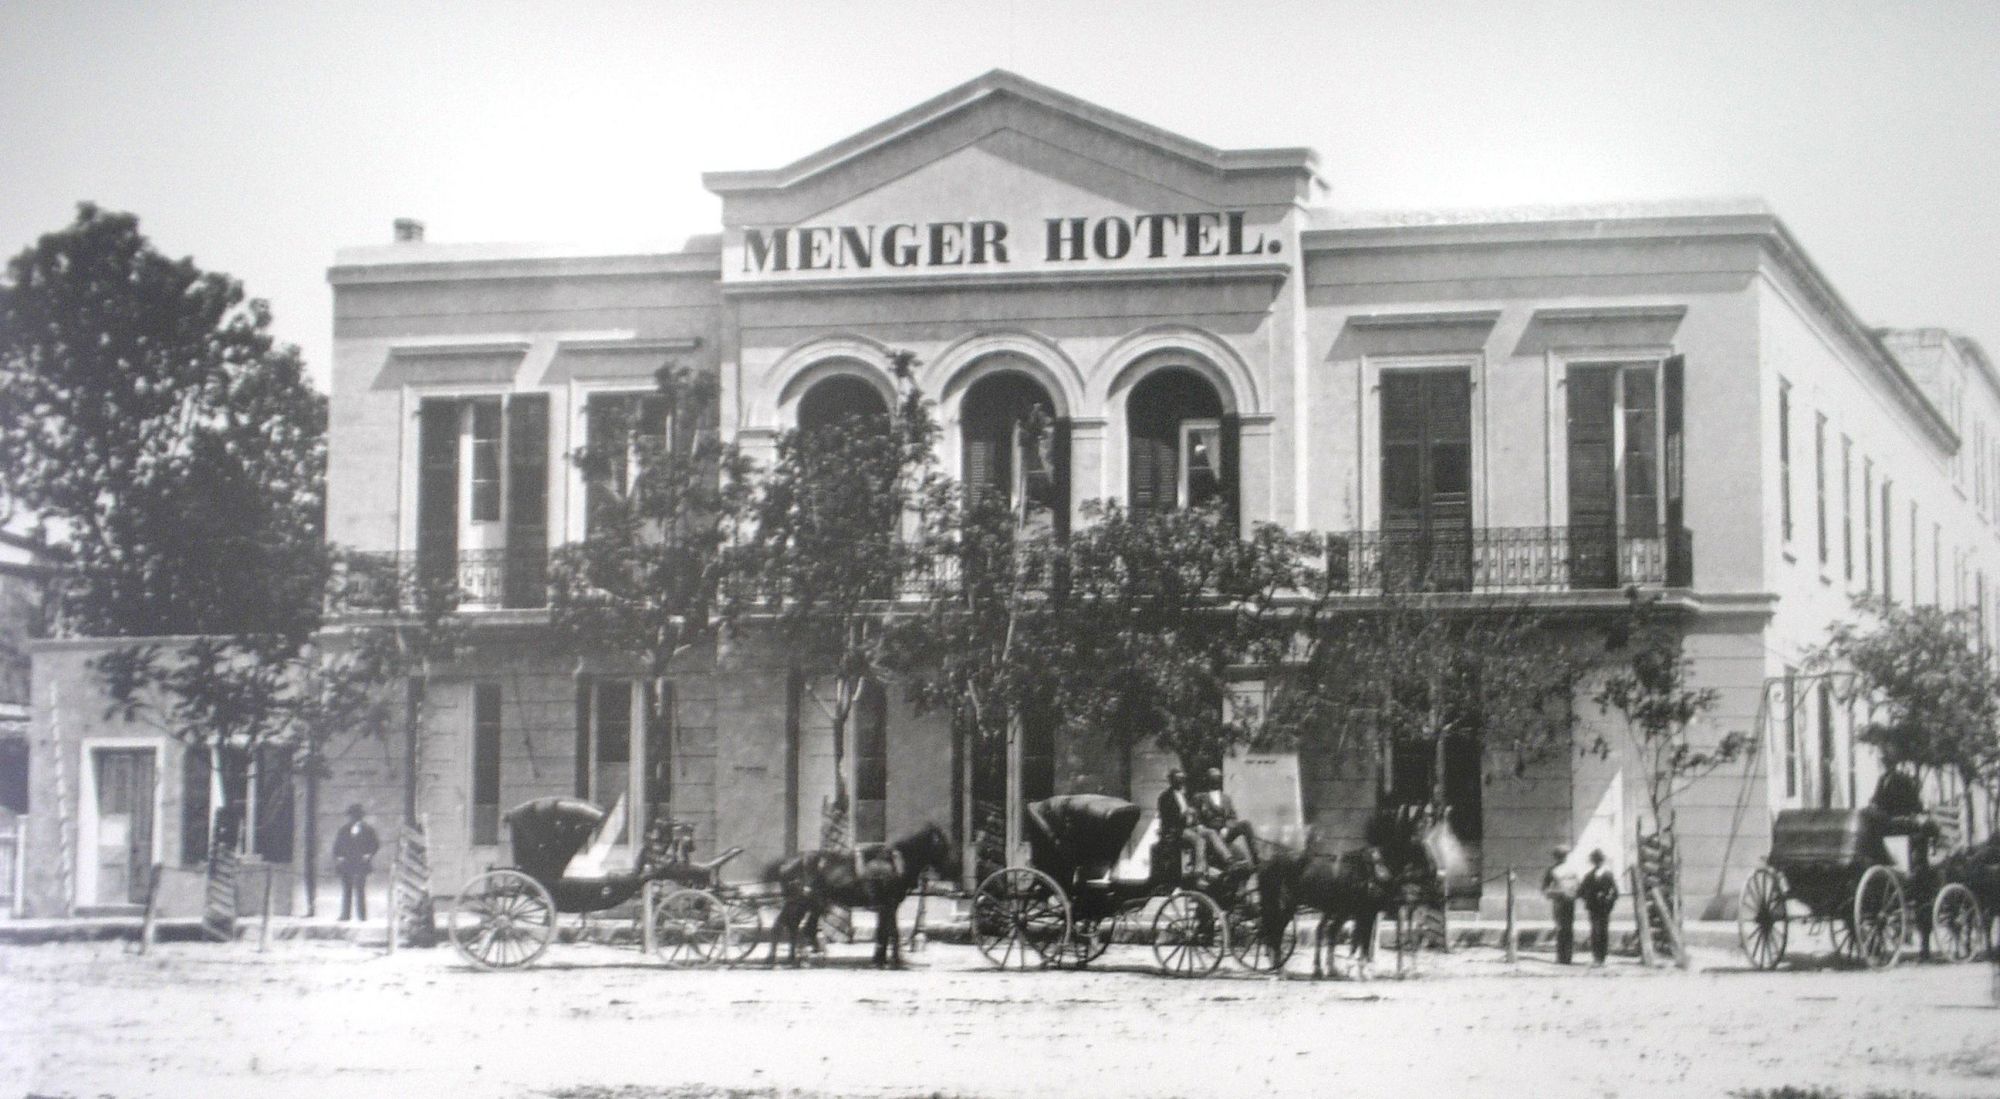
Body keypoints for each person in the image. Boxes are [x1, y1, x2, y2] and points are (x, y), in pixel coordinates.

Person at [1199, 766, 1259, 868]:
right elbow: (1197, 818)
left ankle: (1256, 859)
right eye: (1213, 778)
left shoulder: (1226, 798)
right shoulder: (1201, 798)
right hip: (1211, 833)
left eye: (1217, 778)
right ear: (1208, 781)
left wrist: (1227, 827)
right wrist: (1204, 828)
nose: (1216, 781)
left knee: (1246, 825)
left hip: (1225, 831)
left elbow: (1232, 817)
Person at [333, 803, 380, 922]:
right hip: (347, 863)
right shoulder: (344, 830)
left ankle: (362, 915)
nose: (353, 818)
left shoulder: (368, 830)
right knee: (346, 889)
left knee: (360, 889)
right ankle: (345, 915)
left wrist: (369, 854)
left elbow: (375, 844)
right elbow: (337, 845)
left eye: (356, 816)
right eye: (352, 816)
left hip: (361, 863)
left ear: (360, 817)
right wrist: (339, 856)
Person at [1155, 768, 1206, 874]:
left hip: (1189, 827)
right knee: (1199, 840)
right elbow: (1167, 818)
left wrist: (1197, 822)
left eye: (1182, 779)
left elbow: (1192, 811)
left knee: (1210, 833)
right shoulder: (1165, 797)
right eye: (1178, 779)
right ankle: (1199, 871)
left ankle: (1227, 860)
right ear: (1172, 780)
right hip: (1176, 829)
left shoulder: (1184, 795)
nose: (1181, 782)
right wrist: (1185, 813)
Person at [1579, 848, 1620, 967]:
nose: (1597, 863)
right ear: (1593, 862)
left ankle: (1602, 957)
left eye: (1599, 860)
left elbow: (1615, 892)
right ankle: (1596, 957)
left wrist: (1608, 900)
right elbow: (1581, 892)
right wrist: (1588, 898)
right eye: (1595, 860)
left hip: (1604, 908)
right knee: (1595, 931)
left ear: (1602, 861)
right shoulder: (1588, 876)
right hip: (1593, 907)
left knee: (1603, 931)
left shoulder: (1608, 875)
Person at [1541, 845, 1580, 965]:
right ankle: (1561, 956)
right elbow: (1545, 887)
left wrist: (1575, 893)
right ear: (1556, 857)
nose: (1563, 858)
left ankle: (1568, 957)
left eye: (1564, 855)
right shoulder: (1552, 870)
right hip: (1558, 902)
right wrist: (1553, 894)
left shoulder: (1572, 869)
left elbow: (1577, 884)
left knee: (1569, 928)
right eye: (1560, 856)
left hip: (1569, 901)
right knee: (1560, 928)